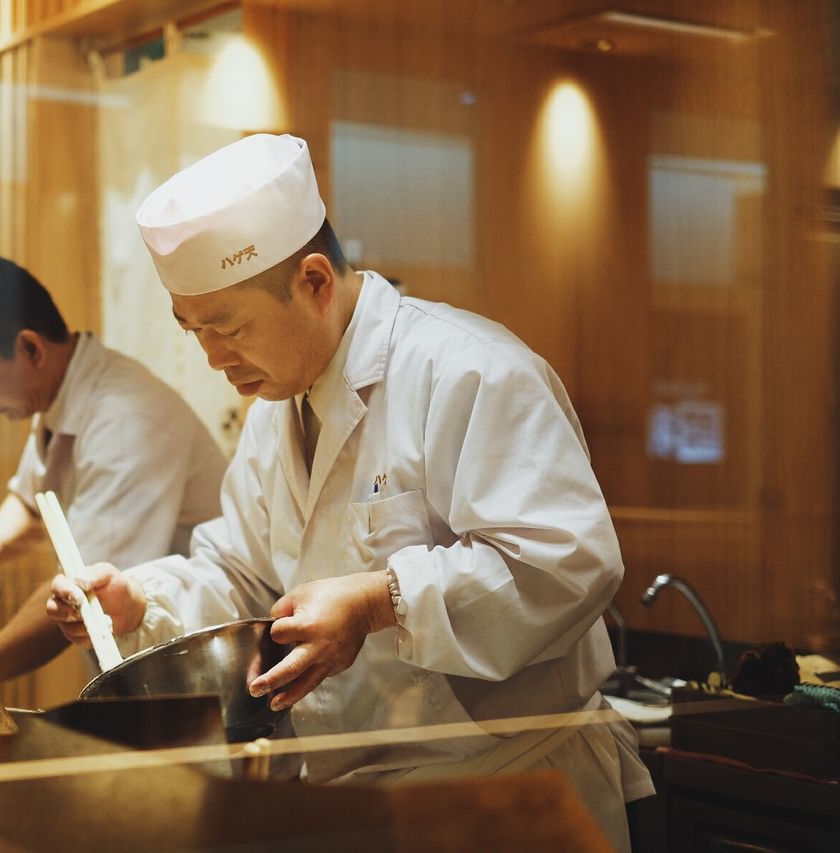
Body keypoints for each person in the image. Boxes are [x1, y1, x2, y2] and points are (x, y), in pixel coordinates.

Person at [47, 134, 652, 849]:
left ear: (314, 281)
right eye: (193, 329)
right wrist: (141, 600)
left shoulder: (467, 371)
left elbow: (569, 563)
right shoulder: (276, 410)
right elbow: (244, 574)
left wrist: (378, 600)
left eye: (228, 326)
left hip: (508, 803)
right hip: (361, 809)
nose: (212, 357)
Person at [0, 248, 226, 681]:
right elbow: (31, 497)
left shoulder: (123, 421)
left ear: (30, 348)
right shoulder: (60, 400)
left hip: (200, 666)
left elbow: (84, 598)